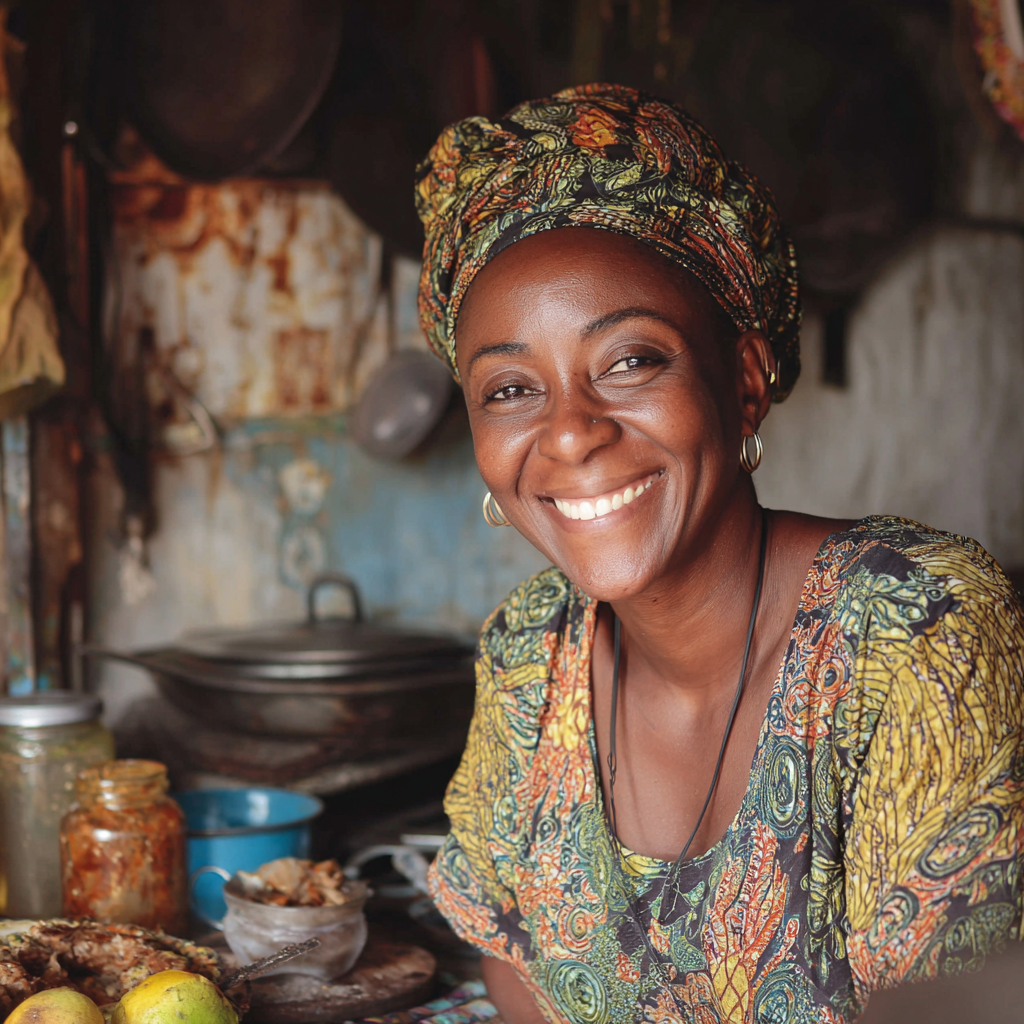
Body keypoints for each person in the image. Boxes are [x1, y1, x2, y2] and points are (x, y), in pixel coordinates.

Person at [413, 84, 1024, 1024]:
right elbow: (509, 951)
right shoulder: (530, 649)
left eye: (629, 361)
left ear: (743, 382)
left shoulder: (913, 630)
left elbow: (961, 1007)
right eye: (509, 389)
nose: (570, 434)